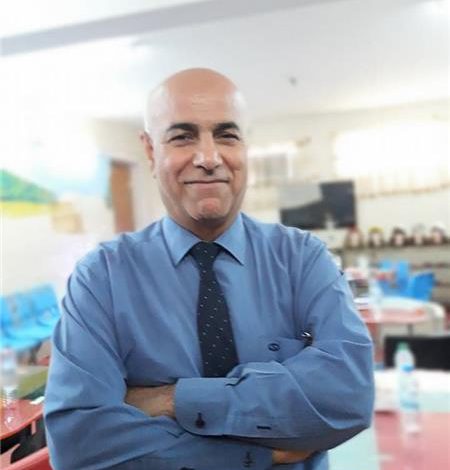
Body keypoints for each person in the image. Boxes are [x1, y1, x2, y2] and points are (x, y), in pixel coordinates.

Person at [44, 68, 374, 470]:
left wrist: (172, 399)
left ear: (245, 147)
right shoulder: (101, 278)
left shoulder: (303, 259)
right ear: (150, 152)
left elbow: (348, 397)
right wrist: (259, 453)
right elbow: (79, 442)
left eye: (226, 135)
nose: (208, 158)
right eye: (183, 137)